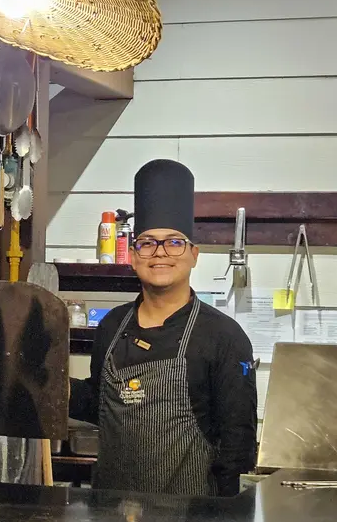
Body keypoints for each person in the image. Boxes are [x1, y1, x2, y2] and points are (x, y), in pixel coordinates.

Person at [70, 159, 258, 497]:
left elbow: (238, 445)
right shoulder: (112, 326)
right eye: (147, 243)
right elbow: (101, 404)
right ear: (133, 255)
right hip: (111, 513)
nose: (160, 253)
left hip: (189, 521)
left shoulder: (223, 337)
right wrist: (46, 381)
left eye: (174, 242)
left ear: (194, 254)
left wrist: (225, 520)